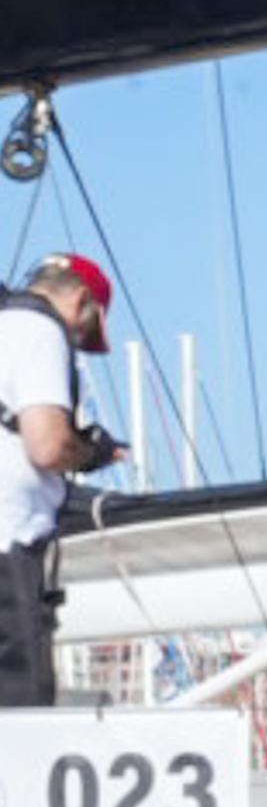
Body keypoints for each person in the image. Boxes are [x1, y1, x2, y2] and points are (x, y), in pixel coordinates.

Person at [0, 253, 123, 710]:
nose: (76, 342)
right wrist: (90, 452)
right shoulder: (40, 330)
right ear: (81, 301)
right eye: (83, 333)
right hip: (8, 538)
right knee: (20, 711)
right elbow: (48, 446)